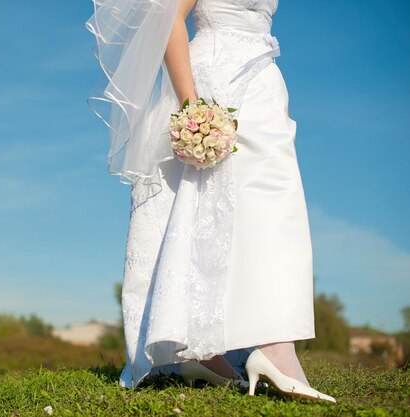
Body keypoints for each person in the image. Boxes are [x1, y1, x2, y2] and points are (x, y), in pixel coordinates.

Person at [86, 0, 336, 403]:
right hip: (213, 83)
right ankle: (249, 349)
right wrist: (191, 104)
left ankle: (244, 346)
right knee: (200, 210)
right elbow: (168, 18)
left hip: (263, 81)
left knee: (270, 212)